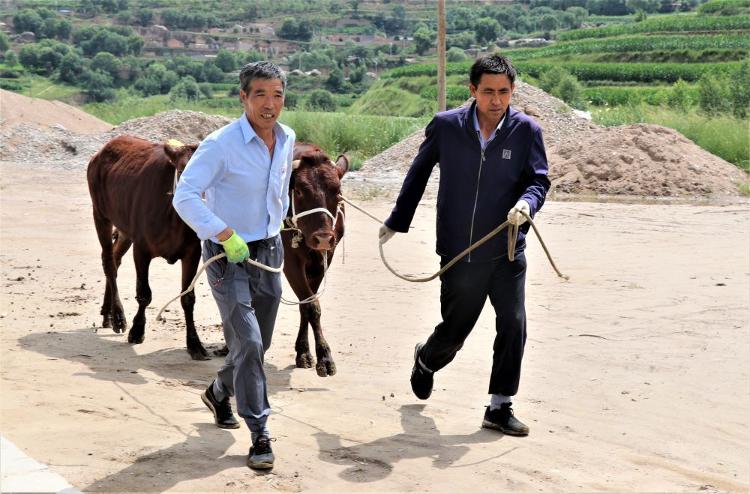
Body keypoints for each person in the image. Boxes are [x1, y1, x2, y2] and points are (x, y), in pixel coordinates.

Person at [379, 54, 550, 436]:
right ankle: (426, 359)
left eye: (503, 92)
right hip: (459, 252)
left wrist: (528, 203)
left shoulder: (526, 131)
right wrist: (397, 220)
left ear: (512, 92)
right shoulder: (446, 127)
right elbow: (418, 172)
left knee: (514, 322)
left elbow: (539, 180)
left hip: (507, 248)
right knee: (455, 331)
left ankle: (499, 405)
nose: (496, 100)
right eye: (487, 91)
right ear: (472, 91)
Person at [173, 61, 295, 469]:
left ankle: (218, 389)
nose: (269, 103)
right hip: (227, 254)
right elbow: (185, 195)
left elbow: (277, 194)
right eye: (260, 94)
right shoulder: (220, 144)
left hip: (269, 252)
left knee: (256, 343)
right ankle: (260, 432)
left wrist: (280, 229)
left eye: (277, 94)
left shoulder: (287, 138)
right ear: (243, 97)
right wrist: (223, 233)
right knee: (250, 341)